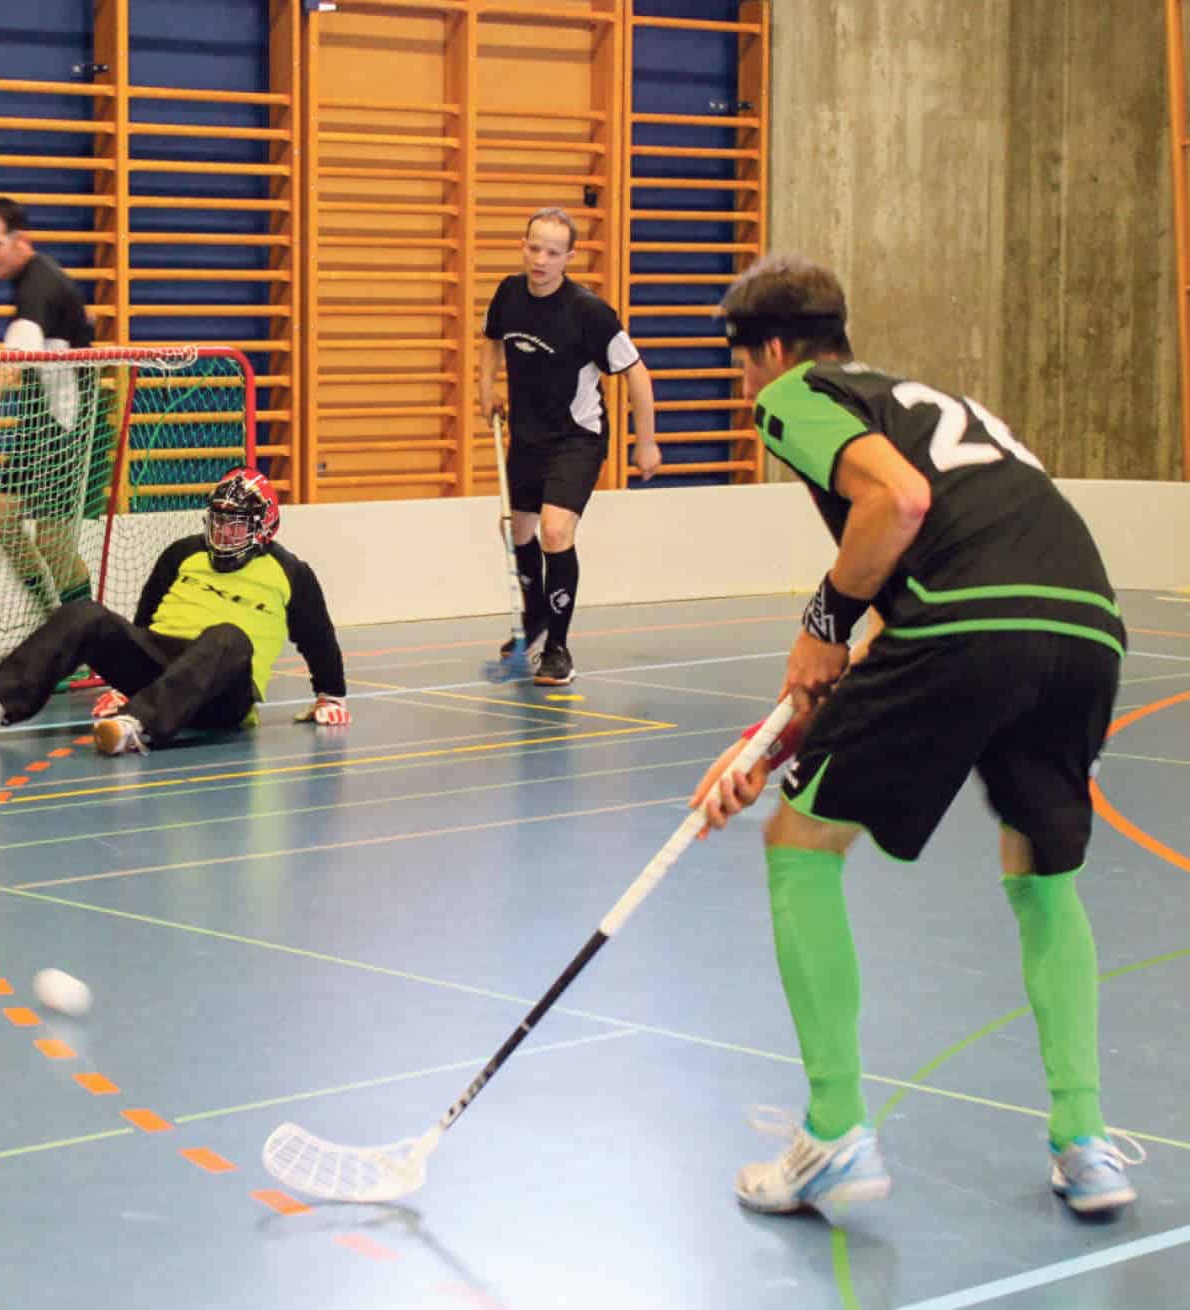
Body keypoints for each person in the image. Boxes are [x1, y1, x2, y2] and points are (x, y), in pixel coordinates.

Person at [689, 254, 1138, 1217]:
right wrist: (791, 729)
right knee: (1041, 877)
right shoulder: (926, 402)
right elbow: (943, 574)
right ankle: (1086, 1144)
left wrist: (819, 624)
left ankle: (835, 1134)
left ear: (769, 351)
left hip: (971, 621)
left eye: (741, 367)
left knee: (800, 845)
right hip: (1084, 629)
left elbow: (896, 504)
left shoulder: (798, 395)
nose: (745, 390)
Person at [0, 466, 349, 755]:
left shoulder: (289, 572)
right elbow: (144, 621)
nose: (223, 533)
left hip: (223, 693)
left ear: (263, 527)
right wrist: (127, 680)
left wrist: (330, 694)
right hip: (162, 665)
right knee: (85, 613)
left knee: (229, 637)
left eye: (235, 525)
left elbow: (318, 636)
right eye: (217, 522)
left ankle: (135, 727)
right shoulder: (182, 553)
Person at [480, 207, 660, 685]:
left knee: (556, 533)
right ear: (523, 245)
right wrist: (485, 387)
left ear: (569, 257)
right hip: (527, 436)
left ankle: (558, 648)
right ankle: (535, 618)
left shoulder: (588, 312)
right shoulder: (509, 293)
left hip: (576, 439)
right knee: (516, 533)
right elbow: (491, 340)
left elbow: (637, 374)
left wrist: (646, 442)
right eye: (534, 247)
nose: (540, 259)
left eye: (553, 252)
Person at [0, 196, 109, 613]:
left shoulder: (39, 285)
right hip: (38, 425)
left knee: (52, 541)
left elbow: (10, 369)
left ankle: (86, 637)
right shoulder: (26, 282)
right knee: (1, 520)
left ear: (21, 241)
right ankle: (55, 619)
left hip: (68, 427)